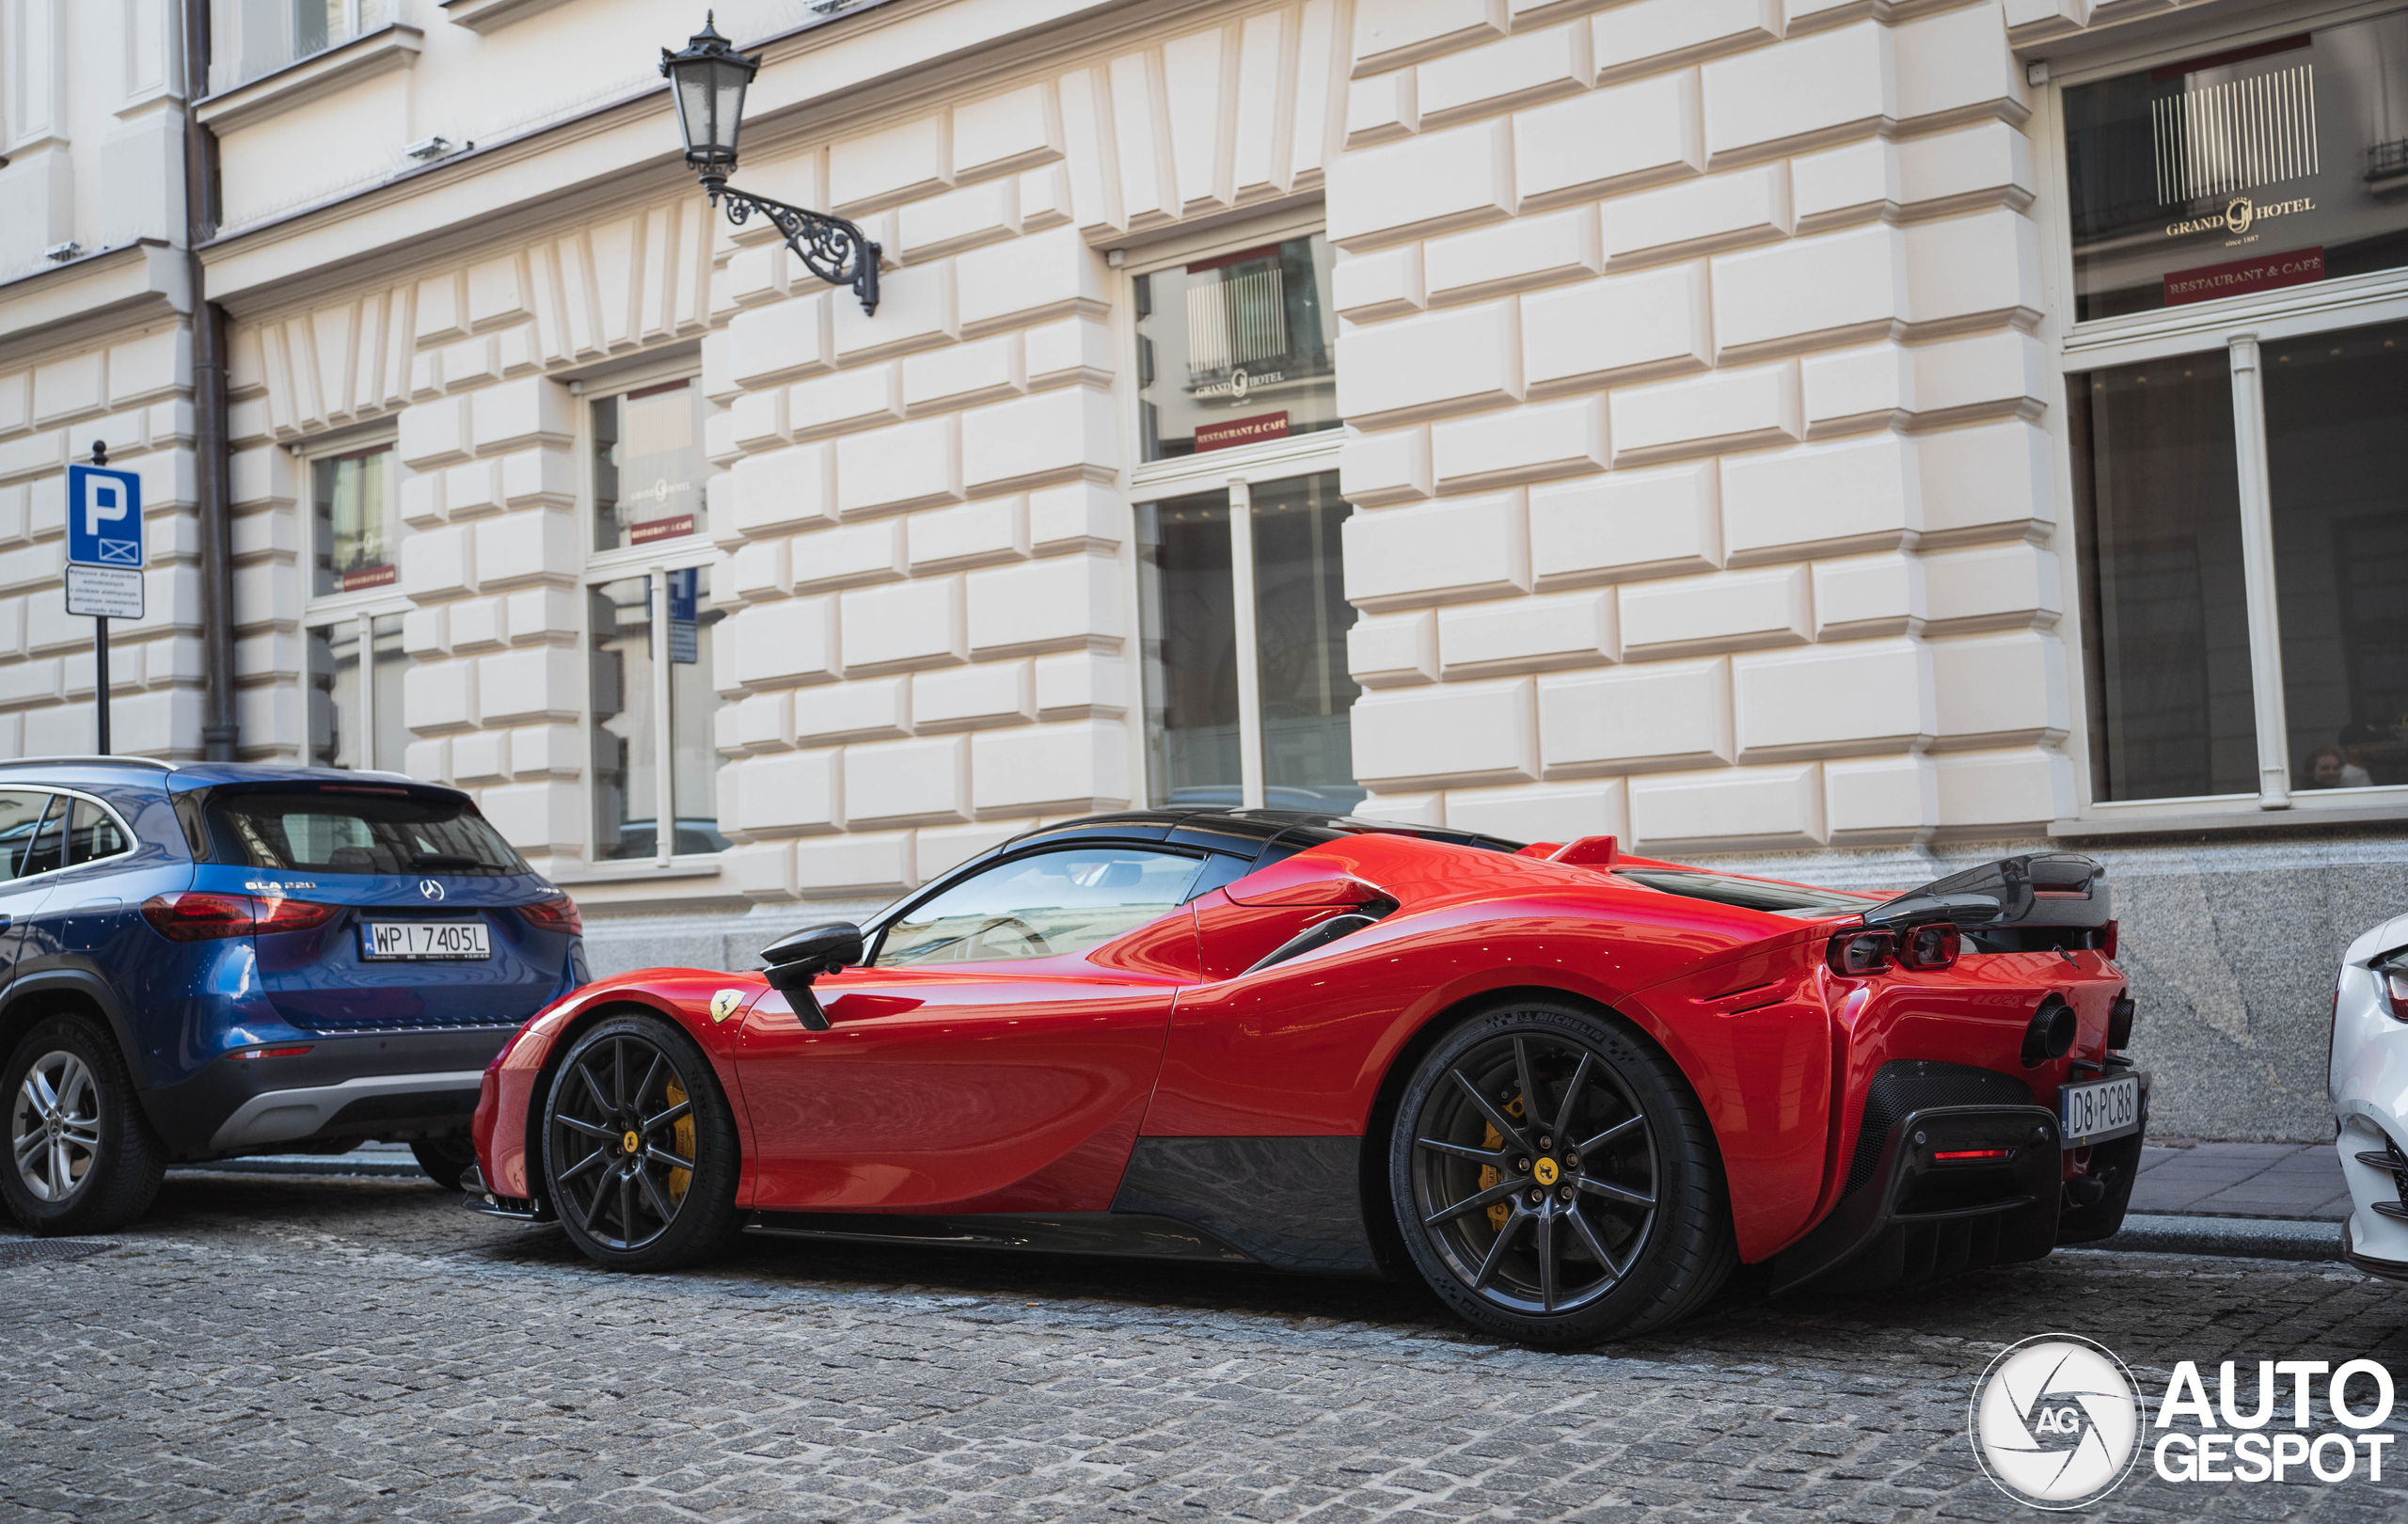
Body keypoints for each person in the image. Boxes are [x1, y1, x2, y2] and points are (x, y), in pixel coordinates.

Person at [2337, 722, 2383, 787]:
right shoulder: (2346, 777)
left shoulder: (2373, 772)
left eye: (2377, 742)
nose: (2377, 747)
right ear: (2352, 748)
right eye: (2370, 743)